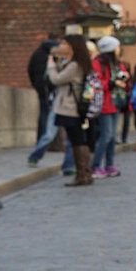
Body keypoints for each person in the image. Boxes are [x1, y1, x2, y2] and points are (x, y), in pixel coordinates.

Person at [47, 35, 93, 187]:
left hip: (70, 107)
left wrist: (51, 65)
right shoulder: (77, 63)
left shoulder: (75, 66)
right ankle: (86, 173)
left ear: (72, 46)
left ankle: (82, 175)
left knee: (75, 139)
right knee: (78, 139)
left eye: (64, 43)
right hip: (75, 106)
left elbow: (57, 79)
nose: (61, 45)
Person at [90, 35, 128, 178]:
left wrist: (124, 77)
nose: (119, 50)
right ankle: (95, 166)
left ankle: (109, 165)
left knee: (112, 137)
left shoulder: (116, 64)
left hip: (115, 102)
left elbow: (122, 73)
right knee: (106, 136)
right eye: (117, 47)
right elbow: (97, 83)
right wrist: (113, 83)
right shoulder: (97, 63)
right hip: (104, 104)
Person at [27, 36, 59, 140]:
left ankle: (42, 138)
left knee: (44, 113)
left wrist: (35, 84)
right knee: (50, 114)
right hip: (49, 87)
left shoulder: (37, 53)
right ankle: (47, 139)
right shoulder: (52, 55)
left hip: (41, 86)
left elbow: (30, 69)